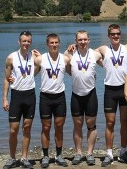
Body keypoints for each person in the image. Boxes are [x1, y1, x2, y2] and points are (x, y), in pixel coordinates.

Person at [94, 24, 127, 167]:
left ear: (120, 35)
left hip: (124, 90)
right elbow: (90, 54)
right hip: (110, 90)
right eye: (112, 34)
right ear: (109, 35)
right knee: (110, 122)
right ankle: (109, 153)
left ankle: (123, 152)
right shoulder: (104, 49)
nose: (115, 36)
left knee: (124, 122)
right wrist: (102, 64)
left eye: (117, 34)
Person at [2, 31, 40, 169]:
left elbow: (41, 67)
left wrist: (39, 58)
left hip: (30, 95)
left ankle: (24, 158)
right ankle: (12, 158)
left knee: (27, 128)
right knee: (13, 129)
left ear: (31, 42)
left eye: (28, 41)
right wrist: (5, 99)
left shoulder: (34, 56)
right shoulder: (11, 57)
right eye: (24, 41)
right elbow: (7, 79)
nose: (26, 43)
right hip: (16, 96)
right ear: (19, 42)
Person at [64, 30, 102, 166]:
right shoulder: (69, 54)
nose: (83, 42)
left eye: (85, 39)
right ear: (76, 41)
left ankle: (90, 153)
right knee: (78, 125)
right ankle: (79, 153)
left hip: (91, 94)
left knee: (91, 125)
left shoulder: (95, 54)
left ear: (89, 40)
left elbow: (108, 64)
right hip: (76, 94)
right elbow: (63, 68)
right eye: (80, 40)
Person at [34, 33, 70, 168]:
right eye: (51, 43)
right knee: (46, 127)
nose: (54, 45)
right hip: (45, 97)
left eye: (56, 43)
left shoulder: (65, 59)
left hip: (60, 97)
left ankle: (59, 155)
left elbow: (75, 73)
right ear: (47, 44)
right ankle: (45, 156)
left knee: (59, 127)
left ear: (59, 43)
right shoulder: (40, 59)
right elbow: (31, 74)